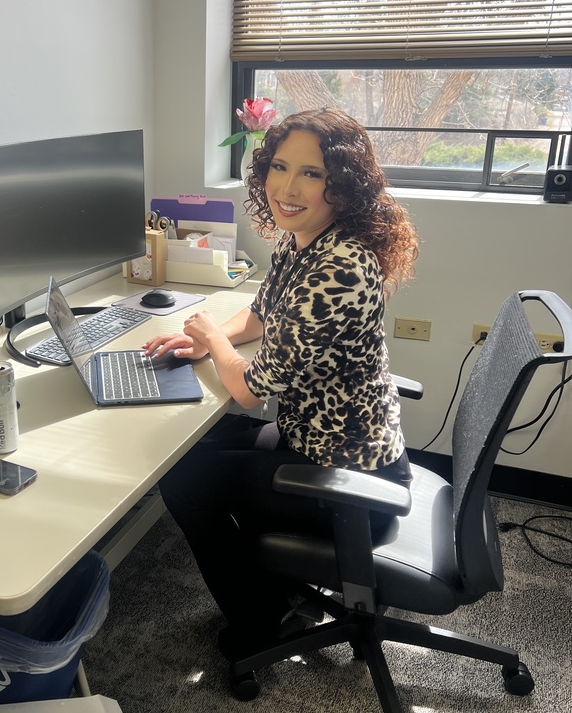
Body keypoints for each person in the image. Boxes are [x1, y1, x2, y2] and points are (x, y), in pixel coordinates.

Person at [142, 107, 420, 658]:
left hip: (348, 479)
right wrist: (206, 338)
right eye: (280, 167)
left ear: (342, 184)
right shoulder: (306, 238)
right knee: (205, 445)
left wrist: (213, 344)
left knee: (184, 481)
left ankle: (260, 619)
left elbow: (249, 390)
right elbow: (260, 315)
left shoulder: (341, 267)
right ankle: (277, 590)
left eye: (312, 174)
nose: (288, 188)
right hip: (319, 440)